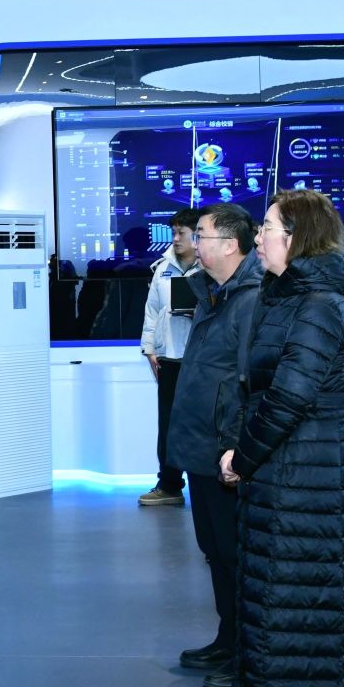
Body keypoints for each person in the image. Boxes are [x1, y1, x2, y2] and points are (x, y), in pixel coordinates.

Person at [218, 189, 344, 687]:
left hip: (302, 481)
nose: (259, 236)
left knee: (300, 612)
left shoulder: (319, 304)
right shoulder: (289, 295)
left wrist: (243, 458)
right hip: (283, 479)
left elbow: (289, 398)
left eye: (269, 227)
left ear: (297, 237)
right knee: (279, 611)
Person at [163, 203, 263, 687]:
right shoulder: (213, 292)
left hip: (227, 451)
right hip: (202, 447)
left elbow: (249, 383)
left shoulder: (252, 298)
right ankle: (228, 638)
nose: (193, 242)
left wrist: (235, 448)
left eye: (201, 235)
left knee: (235, 554)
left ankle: (247, 652)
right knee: (215, 552)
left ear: (230, 245)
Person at [139, 208, 205, 507]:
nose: (176, 239)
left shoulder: (210, 267)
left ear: (197, 236)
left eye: (181, 233)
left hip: (201, 359)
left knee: (203, 423)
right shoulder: (162, 268)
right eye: (174, 232)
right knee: (168, 425)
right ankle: (169, 485)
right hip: (169, 359)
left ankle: (208, 483)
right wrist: (150, 350)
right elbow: (152, 311)